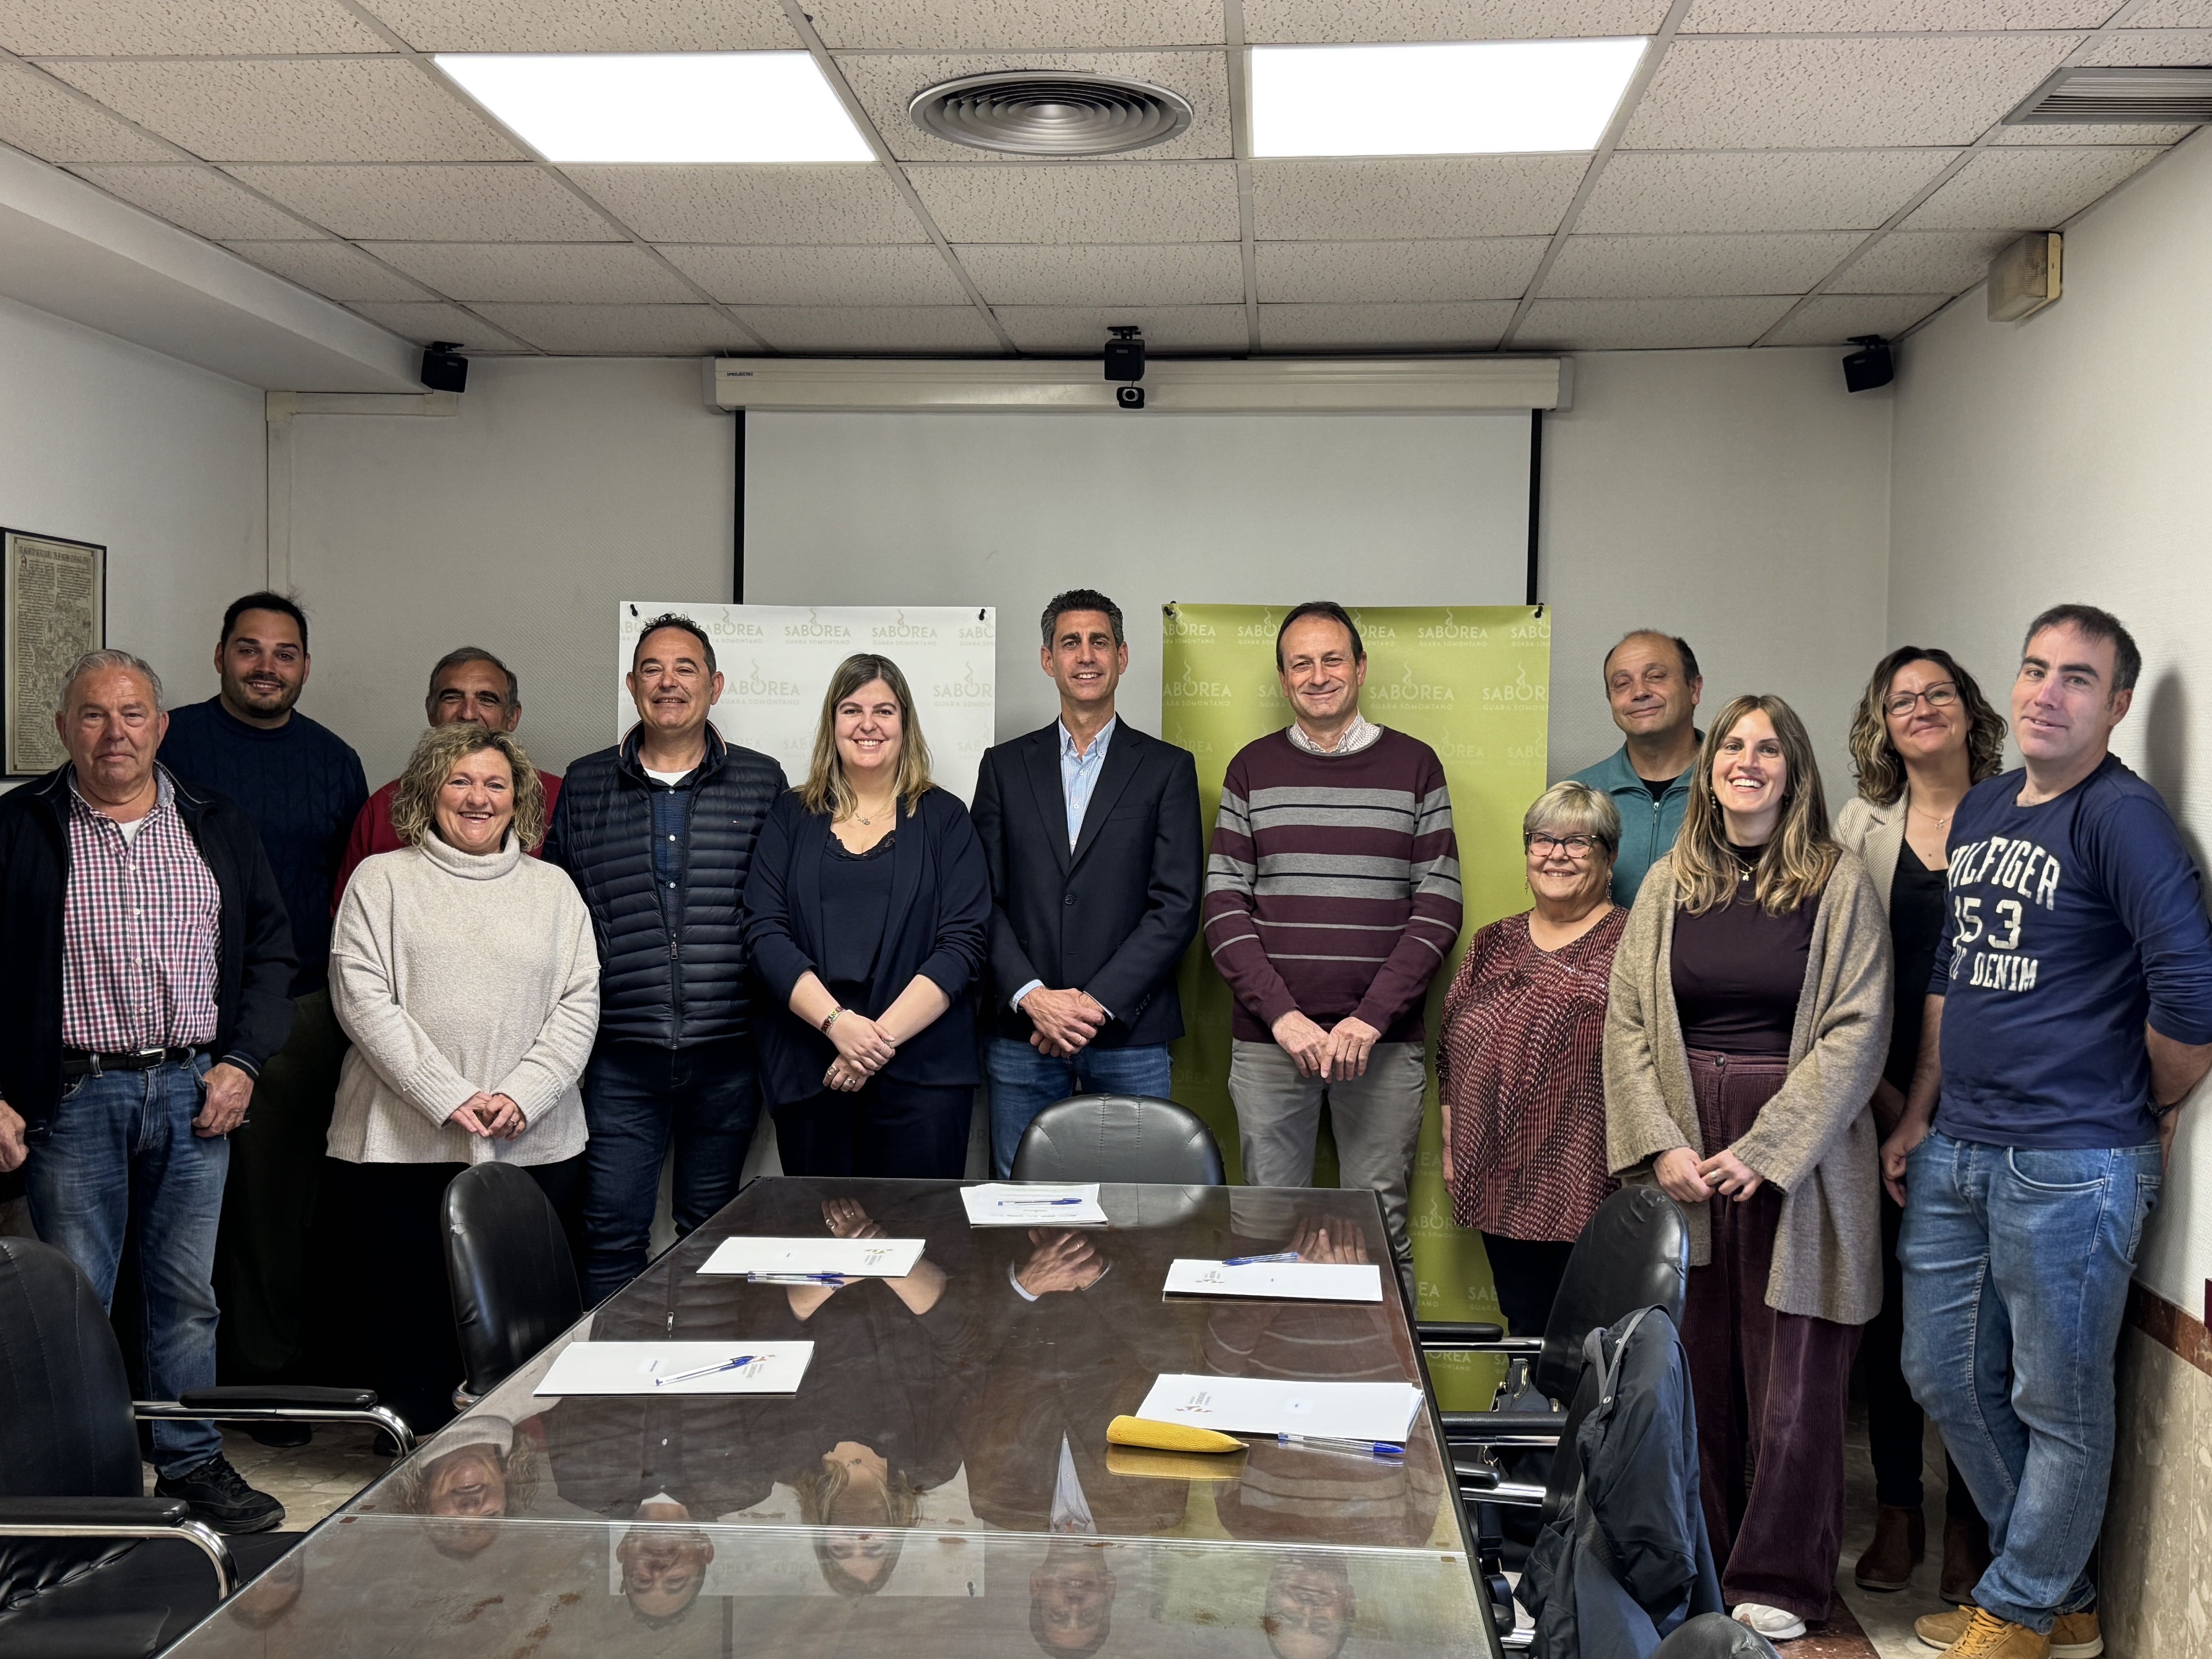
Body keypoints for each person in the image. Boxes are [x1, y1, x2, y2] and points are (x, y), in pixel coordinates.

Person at [1883, 605, 2212, 1659]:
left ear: (2115, 706)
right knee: (1940, 1370)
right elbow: (1951, 974)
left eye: (2078, 677)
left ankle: (2020, 1606)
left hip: (2073, 1156)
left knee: (2055, 1396)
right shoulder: (1983, 807)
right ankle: (2059, 1593)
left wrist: (2151, 1101)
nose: (2046, 691)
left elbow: (2193, 990)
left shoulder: (2124, 818)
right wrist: (1923, 1110)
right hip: (1960, 1146)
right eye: (2034, 668)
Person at [1604, 693, 1891, 1644]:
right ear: (1711, 764)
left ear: (1795, 769)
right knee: (1693, 1369)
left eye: (1768, 748)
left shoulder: (1838, 883)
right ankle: (1697, 1558)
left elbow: (1856, 1030)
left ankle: (1781, 1574)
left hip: (1795, 1158)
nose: (1748, 760)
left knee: (1793, 1377)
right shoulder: (1667, 883)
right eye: (1733, 744)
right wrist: (1660, 1144)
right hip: (1685, 1140)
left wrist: (1766, 1152)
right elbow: (1628, 1026)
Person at [0, 649, 295, 1532]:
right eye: (93, 715)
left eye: (132, 714)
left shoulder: (215, 823)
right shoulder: (19, 830)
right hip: (70, 1097)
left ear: (161, 727)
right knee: (73, 1297)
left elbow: (273, 955)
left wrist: (243, 1061)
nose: (114, 732)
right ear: (63, 730)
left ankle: (193, 1463)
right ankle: (77, 1475)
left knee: (186, 1295)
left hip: (193, 1090)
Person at [325, 722, 598, 1431]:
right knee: (409, 1320)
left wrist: (520, 1095)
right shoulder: (381, 879)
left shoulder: (556, 890)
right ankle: (412, 1471)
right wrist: (448, 1097)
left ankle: (514, 1471)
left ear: (519, 801)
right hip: (398, 1147)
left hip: (532, 1146)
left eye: (495, 784)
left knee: (520, 1330)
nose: (479, 797)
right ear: (428, 792)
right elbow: (361, 997)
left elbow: (579, 1004)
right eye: (461, 781)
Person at [1203, 600, 1461, 1292]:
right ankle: (1268, 1390)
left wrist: (1370, 1018)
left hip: (1381, 1042)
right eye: (1301, 664)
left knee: (1380, 1229)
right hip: (1269, 1043)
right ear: (1285, 681)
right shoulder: (1251, 769)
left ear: (1361, 667)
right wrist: (1283, 1017)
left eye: (1332, 659)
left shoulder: (1415, 765)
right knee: (1265, 1229)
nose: (1318, 675)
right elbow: (1224, 908)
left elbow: (1438, 906)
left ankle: (1390, 1394)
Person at [156, 592, 367, 1399]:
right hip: (186, 1012)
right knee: (197, 1212)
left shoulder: (333, 760)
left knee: (290, 1206)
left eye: (285, 654)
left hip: (306, 1009)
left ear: (306, 667)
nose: (267, 667)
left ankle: (274, 1373)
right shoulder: (170, 744)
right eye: (250, 649)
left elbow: (353, 887)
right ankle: (199, 1384)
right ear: (219, 657)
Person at [544, 613, 786, 1301]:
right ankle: (605, 1401)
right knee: (612, 1231)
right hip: (620, 1052)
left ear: (713, 686)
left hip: (728, 1051)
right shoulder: (587, 785)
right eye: (652, 668)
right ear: (632, 684)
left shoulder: (761, 781)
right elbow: (559, 909)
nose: (668, 681)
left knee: (709, 1232)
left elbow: (781, 909)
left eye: (685, 668)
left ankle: (703, 1400)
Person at [1834, 647, 2006, 1599]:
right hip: (1879, 1097)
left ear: (1967, 709)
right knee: (1895, 1316)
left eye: (1936, 692)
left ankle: (1969, 1523)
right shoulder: (1859, 826)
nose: (1920, 708)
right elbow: (1836, 983)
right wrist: (1895, 1108)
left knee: (1980, 1332)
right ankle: (1897, 1507)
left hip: (1991, 1105)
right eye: (1901, 700)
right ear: (1881, 724)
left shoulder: (2019, 808)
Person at [971, 588, 1203, 1175]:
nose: (1086, 655)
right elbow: (980, 900)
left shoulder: (1167, 769)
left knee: (1139, 1214)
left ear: (1123, 656)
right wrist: (1035, 998)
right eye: (1070, 642)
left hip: (1131, 1033)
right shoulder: (1002, 767)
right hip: (1023, 1032)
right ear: (1048, 659)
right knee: (1023, 1218)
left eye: (1100, 641)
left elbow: (1175, 906)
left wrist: (1092, 1005)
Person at [744, 654, 991, 1177]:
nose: (868, 725)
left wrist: (872, 1044)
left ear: (905, 723)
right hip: (814, 1069)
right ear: (832, 724)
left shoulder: (945, 818)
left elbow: (963, 945)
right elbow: (764, 933)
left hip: (923, 1076)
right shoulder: (791, 816)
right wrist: (837, 1026)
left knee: (917, 1243)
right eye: (852, 710)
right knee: (825, 1249)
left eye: (884, 710)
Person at [1438, 780, 1626, 1336]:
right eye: (1542, 840)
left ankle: (1583, 1427)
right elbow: (1448, 1050)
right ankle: (1531, 1425)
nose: (1556, 855)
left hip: (1590, 1179)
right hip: (1495, 1177)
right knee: (1522, 1324)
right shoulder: (1491, 941)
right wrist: (1452, 1143)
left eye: (1577, 842)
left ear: (1609, 857)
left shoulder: (1634, 941)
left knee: (1588, 1337)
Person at [330, 645, 564, 906]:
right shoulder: (384, 805)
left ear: (513, 716)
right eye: (452, 698)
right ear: (431, 711)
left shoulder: (560, 798)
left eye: (487, 699)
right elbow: (350, 912)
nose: (468, 714)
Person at [1573, 630, 1705, 906]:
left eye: (1656, 677)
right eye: (1622, 684)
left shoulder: (1739, 792)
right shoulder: (1577, 795)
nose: (1640, 692)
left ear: (1694, 689)